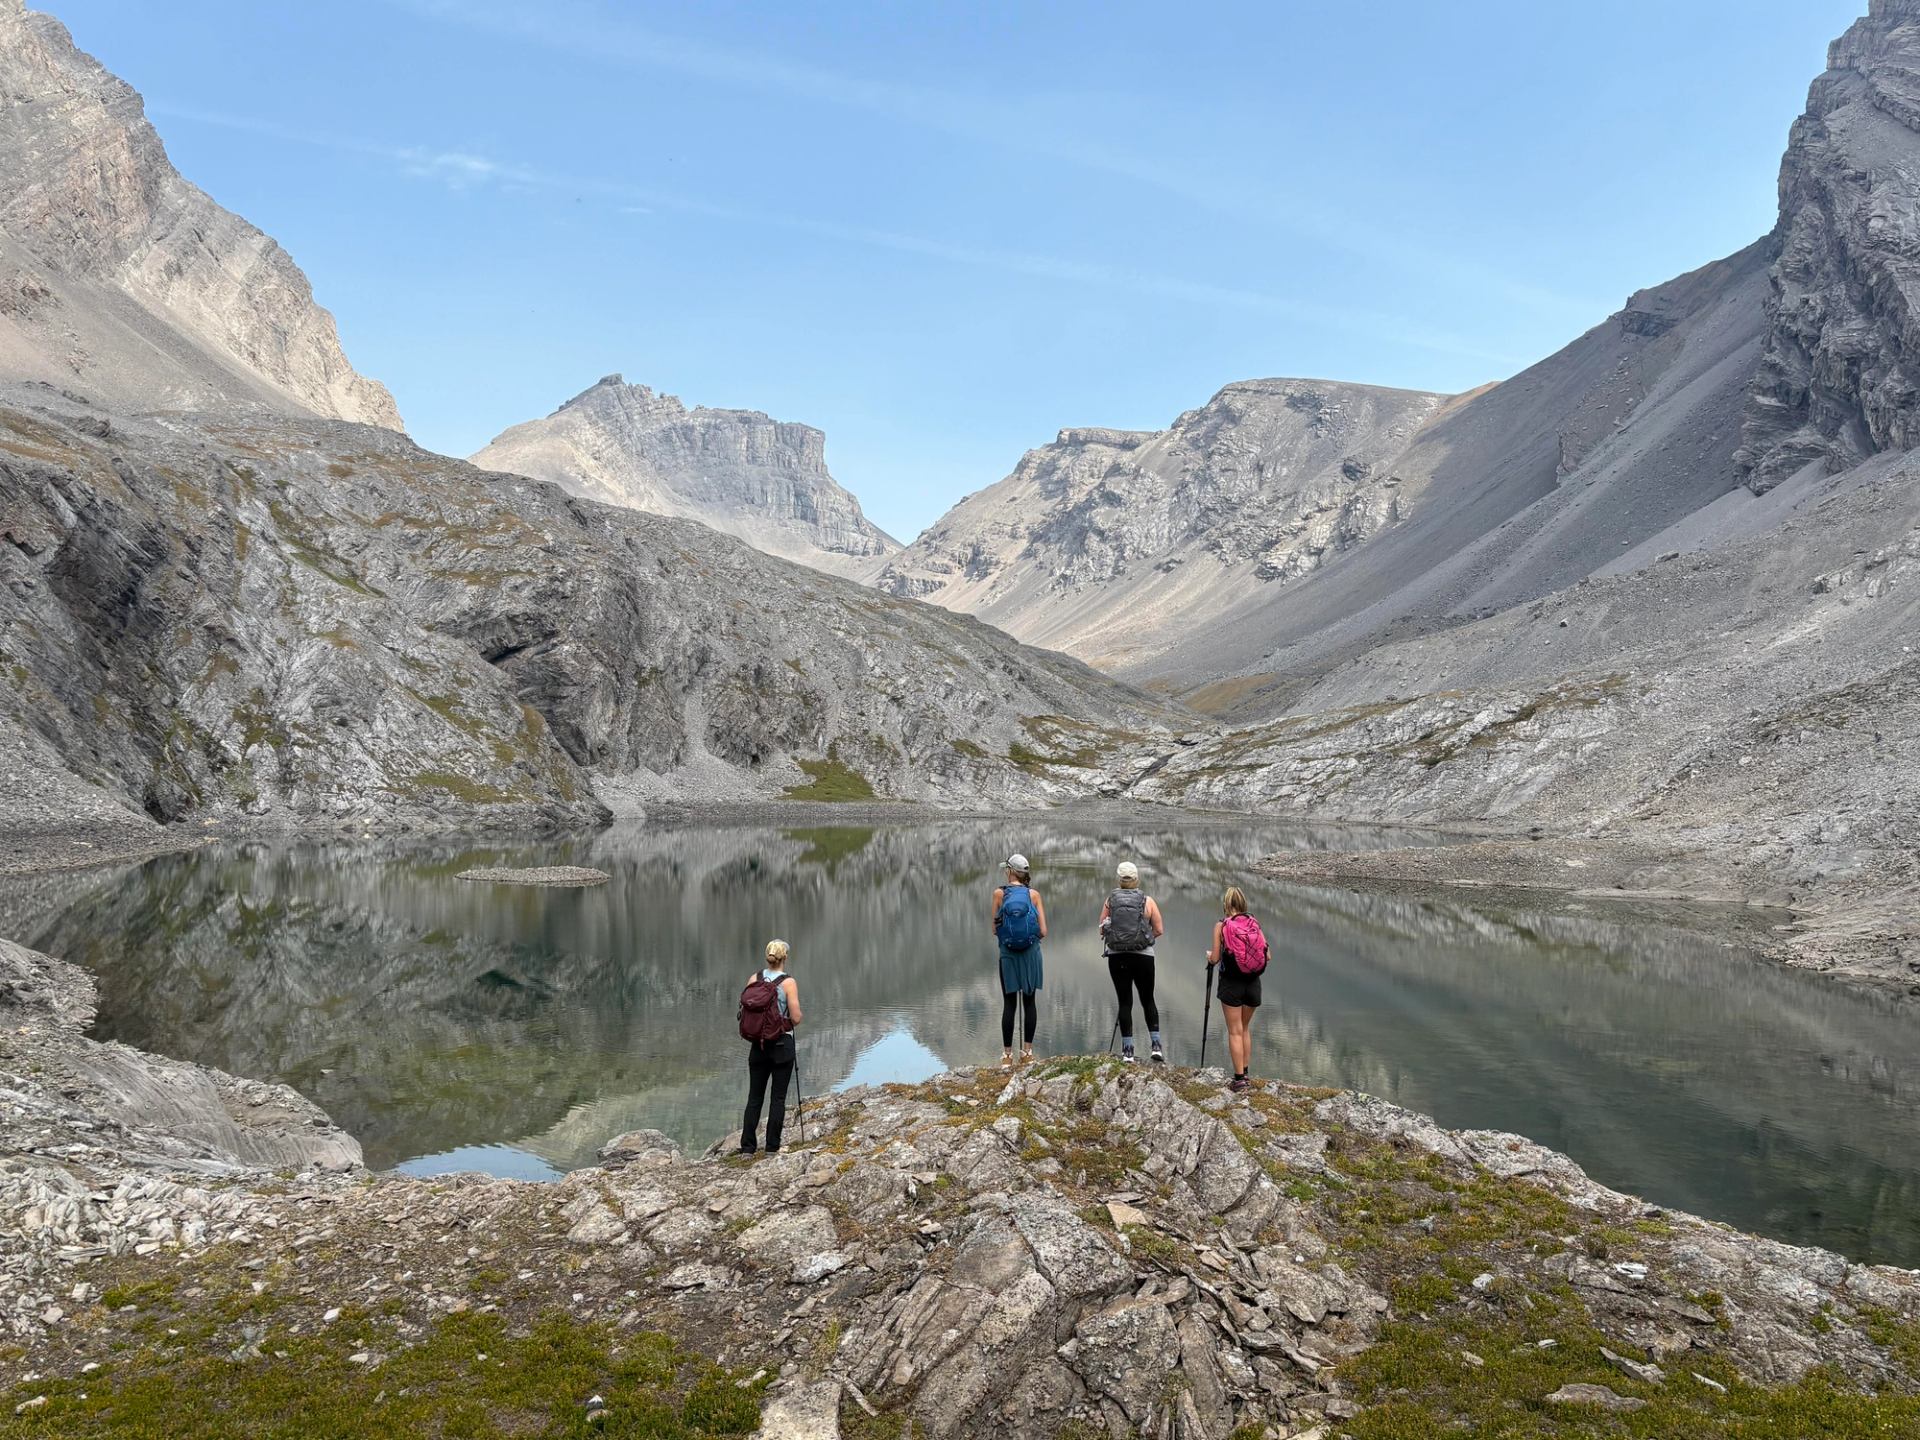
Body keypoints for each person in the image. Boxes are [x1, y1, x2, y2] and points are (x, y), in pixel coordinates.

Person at [739, 939, 802, 1155]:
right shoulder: (788, 983)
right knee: (778, 1098)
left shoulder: (753, 979)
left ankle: (747, 1148)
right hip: (781, 1046)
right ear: (785, 958)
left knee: (754, 1097)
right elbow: (796, 1017)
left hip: (758, 1046)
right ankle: (772, 1148)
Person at [1100, 860, 1165, 1063]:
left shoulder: (1110, 901)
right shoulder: (1148, 901)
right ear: (1137, 879)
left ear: (1118, 879)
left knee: (1124, 1001)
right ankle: (1156, 1047)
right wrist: (1144, 941)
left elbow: (1102, 928)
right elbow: (1159, 929)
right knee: (1148, 1000)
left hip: (1117, 956)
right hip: (1144, 957)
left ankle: (1128, 1051)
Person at [992, 853, 1048, 1068]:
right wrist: (1030, 940)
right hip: (1031, 953)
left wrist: (1009, 940)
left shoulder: (999, 894)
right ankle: (1028, 1053)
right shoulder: (1034, 895)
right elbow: (1043, 930)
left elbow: (994, 928)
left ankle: (1007, 1057)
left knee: (1009, 1004)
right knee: (1030, 1002)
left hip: (1007, 954)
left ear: (1010, 871)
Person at [1206, 886, 1265, 1092]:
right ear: (1243, 903)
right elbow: (1268, 956)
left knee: (1234, 1031)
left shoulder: (1221, 926)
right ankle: (1246, 1074)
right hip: (1253, 983)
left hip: (1232, 984)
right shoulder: (1253, 923)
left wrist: (1209, 957)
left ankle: (1239, 1080)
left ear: (1226, 904)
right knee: (1245, 1028)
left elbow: (1215, 958)